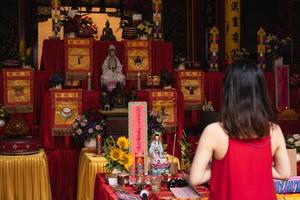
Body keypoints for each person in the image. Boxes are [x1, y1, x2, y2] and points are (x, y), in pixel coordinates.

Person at [189, 59, 290, 200]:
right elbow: (285, 173)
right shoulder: (274, 131)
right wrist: (257, 166)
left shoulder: (214, 132)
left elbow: (195, 178)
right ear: (261, 91)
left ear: (228, 92)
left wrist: (221, 168)